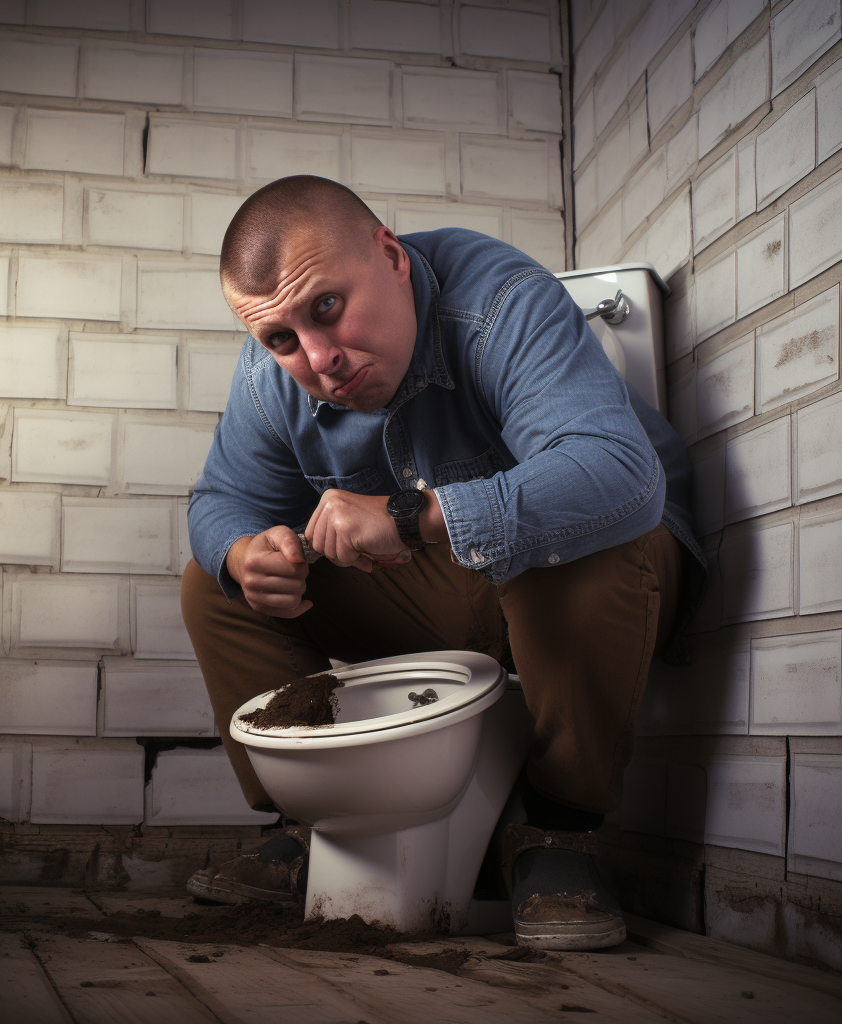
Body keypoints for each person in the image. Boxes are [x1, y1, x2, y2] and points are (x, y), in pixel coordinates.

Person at [179, 175, 704, 950]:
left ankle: (559, 835)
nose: (317, 357)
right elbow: (218, 498)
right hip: (451, 595)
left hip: (614, 566)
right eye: (281, 338)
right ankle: (306, 832)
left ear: (391, 256)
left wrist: (412, 516)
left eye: (326, 306)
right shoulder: (270, 379)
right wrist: (243, 551)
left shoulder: (499, 302)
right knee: (214, 586)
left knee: (570, 538)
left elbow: (617, 476)